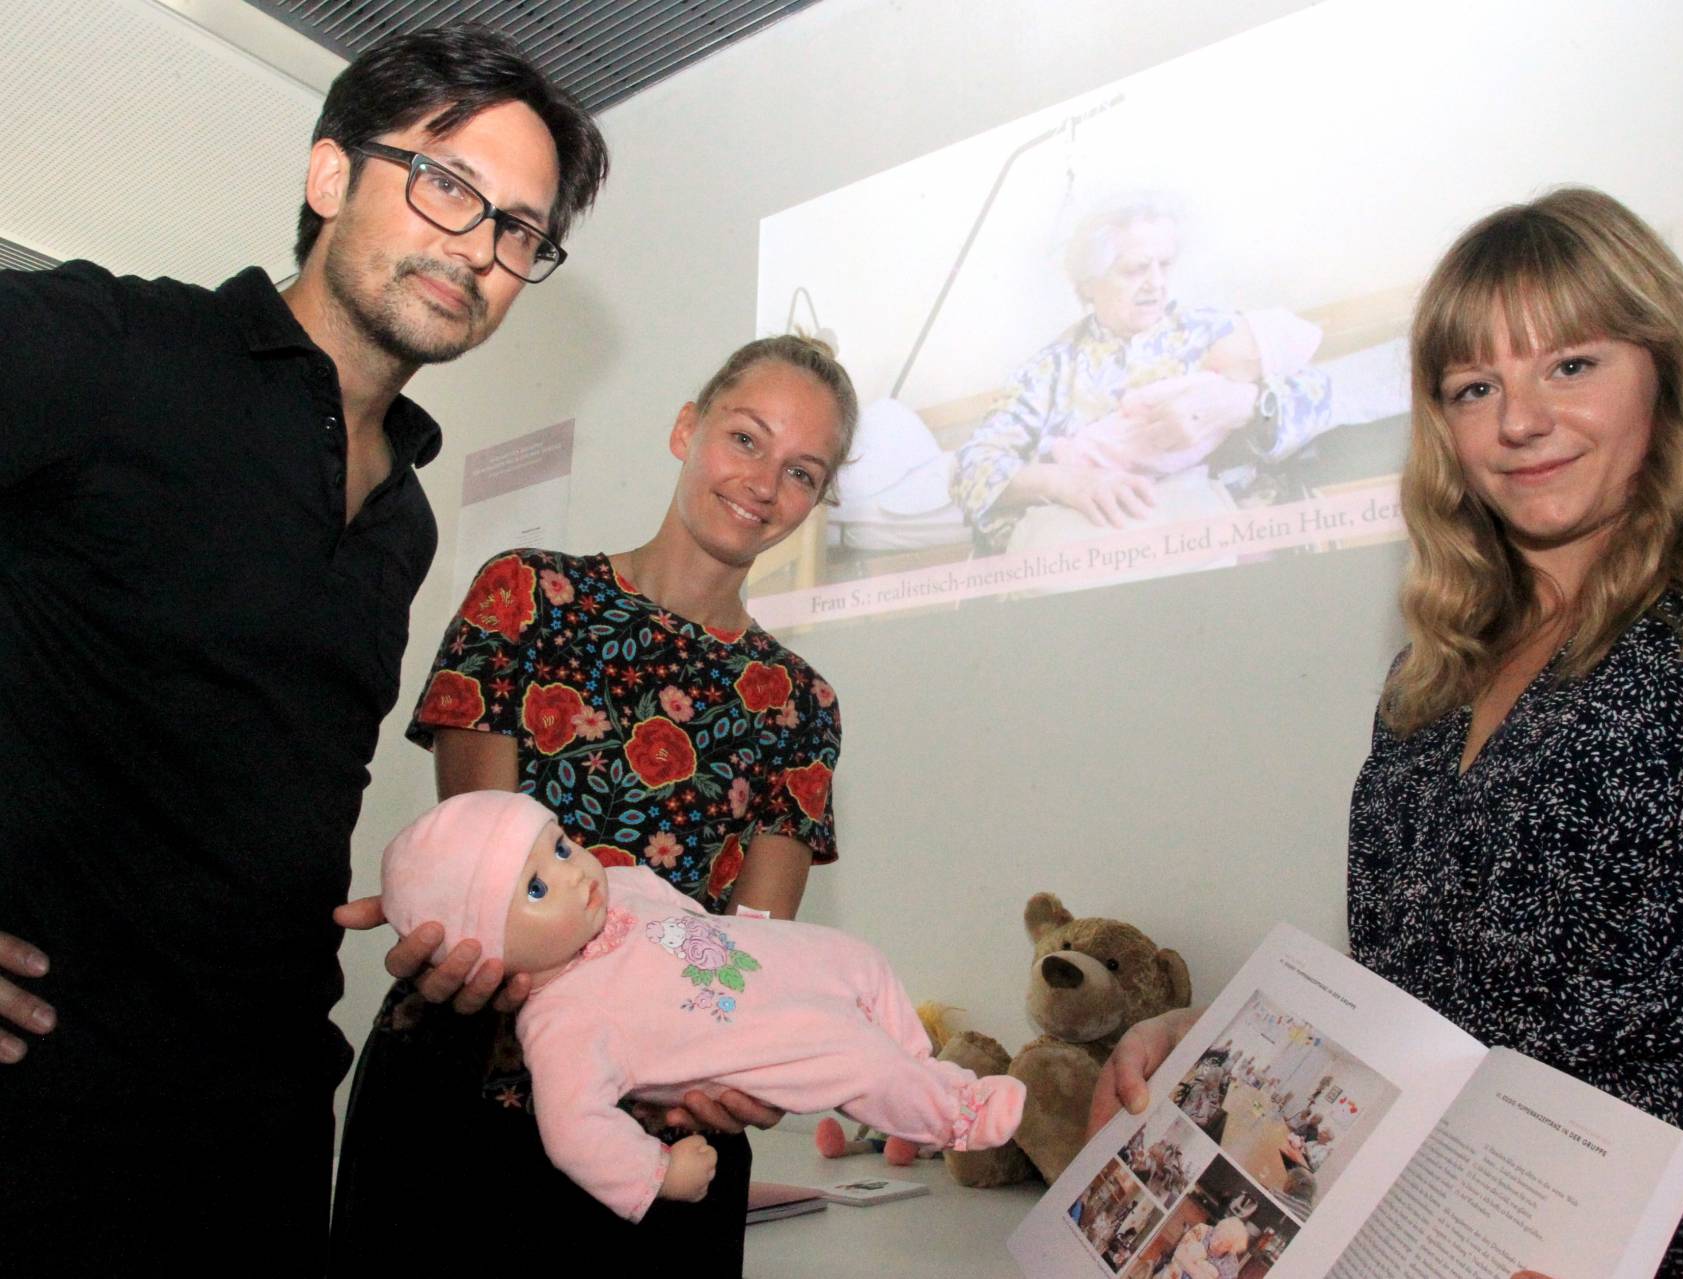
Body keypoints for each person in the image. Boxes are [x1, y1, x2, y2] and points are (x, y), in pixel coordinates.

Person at [1090, 188, 1683, 1275]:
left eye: (1570, 365)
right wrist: (1206, 1047)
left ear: (1666, 370)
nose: (1519, 421)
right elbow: (1421, 1009)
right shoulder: (1424, 685)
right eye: (1475, 386)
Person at [0, 24, 607, 1269]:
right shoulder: (110, 350)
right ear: (330, 175)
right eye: (447, 183)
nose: (477, 248)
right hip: (32, 1114)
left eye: (519, 231)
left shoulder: (407, 514)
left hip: (264, 1129)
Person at [330, 333, 858, 1270]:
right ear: (686, 428)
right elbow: (485, 890)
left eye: (803, 471)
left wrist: (734, 1063)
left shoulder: (801, 702)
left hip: (664, 1137)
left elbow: (755, 951)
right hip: (466, 1097)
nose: (765, 483)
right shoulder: (527, 594)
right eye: (745, 438)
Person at [376, 790, 1023, 1219]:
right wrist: (656, 1171)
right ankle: (954, 1114)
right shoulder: (562, 1021)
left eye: (563, 846)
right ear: (484, 945)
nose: (576, 872)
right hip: (757, 1040)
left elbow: (678, 906)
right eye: (539, 886)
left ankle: (921, 1070)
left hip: (769, 962)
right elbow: (576, 1130)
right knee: (852, 1061)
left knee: (861, 959)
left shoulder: (618, 885)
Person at [951, 193, 1409, 551]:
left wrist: (1245, 404)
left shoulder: (1216, 330)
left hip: (1219, 546)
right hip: (1098, 554)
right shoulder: (1047, 371)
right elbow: (971, 468)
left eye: (1164, 264)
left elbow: (1333, 384)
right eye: (1134, 269)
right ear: (1087, 284)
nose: (1156, 282)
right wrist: (1068, 482)